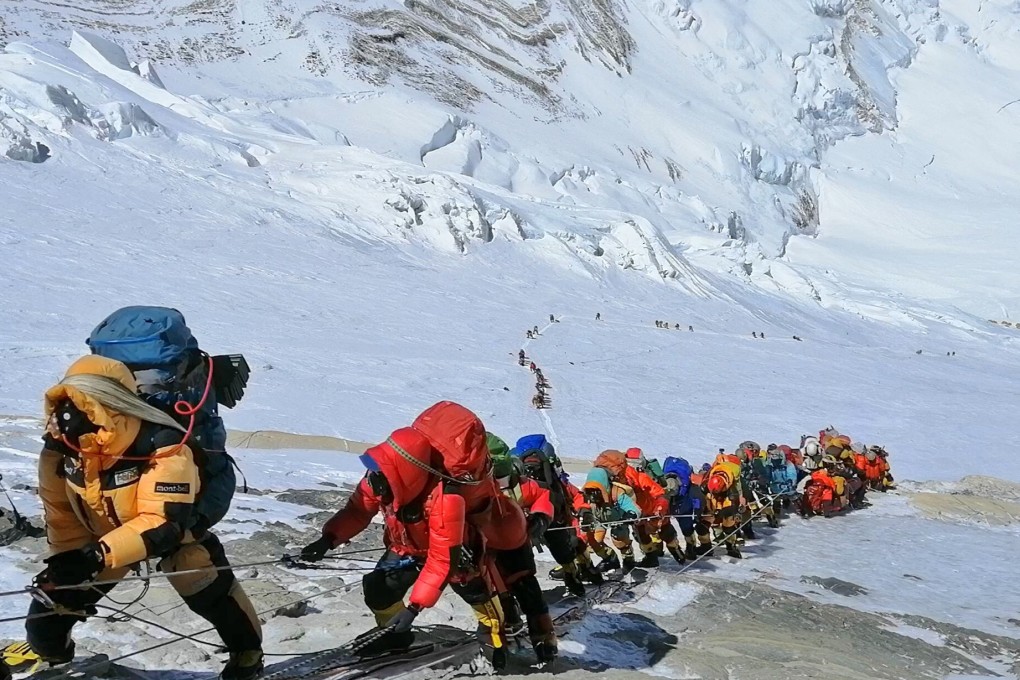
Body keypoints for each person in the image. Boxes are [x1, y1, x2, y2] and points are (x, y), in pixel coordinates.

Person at [29, 357, 262, 680]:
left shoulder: (163, 443)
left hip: (174, 535)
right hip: (106, 541)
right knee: (46, 621)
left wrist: (95, 556)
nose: (66, 414)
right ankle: (58, 661)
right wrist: (67, 558)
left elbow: (163, 522)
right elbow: (61, 509)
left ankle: (247, 656)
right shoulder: (66, 447)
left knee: (213, 598)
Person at [302, 426, 554, 665]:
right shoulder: (379, 481)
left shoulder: (444, 499)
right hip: (407, 548)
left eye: (380, 470)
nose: (372, 475)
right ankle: (394, 635)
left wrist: (414, 608)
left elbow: (442, 560)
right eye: (374, 468)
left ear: (402, 471)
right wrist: (329, 538)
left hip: (458, 556)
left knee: (484, 604)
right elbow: (357, 511)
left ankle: (499, 643)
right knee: (379, 589)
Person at [596, 450, 671, 568]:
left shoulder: (635, 475)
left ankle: (647, 557)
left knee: (640, 532)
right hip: (621, 507)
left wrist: (659, 507)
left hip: (638, 508)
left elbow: (658, 492)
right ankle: (630, 560)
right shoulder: (605, 476)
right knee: (620, 534)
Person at [576, 465, 640, 573]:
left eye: (597, 490)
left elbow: (632, 507)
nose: (593, 495)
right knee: (594, 541)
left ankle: (628, 559)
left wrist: (631, 514)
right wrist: (586, 516)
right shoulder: (586, 495)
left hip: (618, 519)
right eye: (590, 490)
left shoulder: (616, 492)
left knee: (620, 539)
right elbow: (579, 505)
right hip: (599, 520)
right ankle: (610, 558)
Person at [662, 457, 711, 561]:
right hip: (679, 507)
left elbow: (698, 499)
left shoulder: (690, 487)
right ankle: (688, 548)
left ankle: (690, 548)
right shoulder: (665, 487)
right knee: (681, 528)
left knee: (687, 529)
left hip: (684, 508)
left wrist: (697, 513)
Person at [703, 458, 743, 559]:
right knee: (708, 517)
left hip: (729, 494)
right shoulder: (710, 475)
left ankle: (731, 546)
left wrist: (722, 512)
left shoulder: (732, 487)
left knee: (728, 522)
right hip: (715, 488)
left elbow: (733, 505)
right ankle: (716, 537)